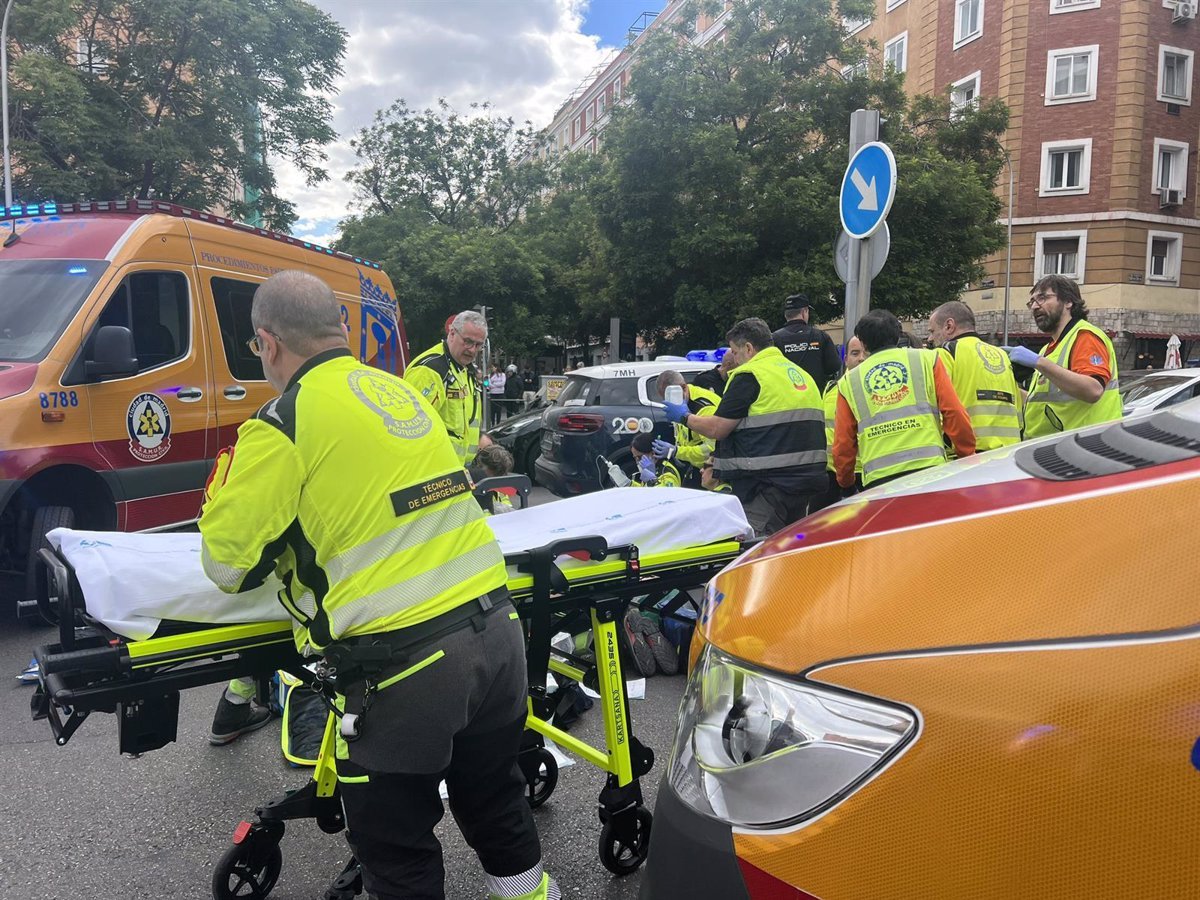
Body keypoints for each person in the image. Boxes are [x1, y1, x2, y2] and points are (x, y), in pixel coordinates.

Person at [199, 271, 558, 900]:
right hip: (498, 634)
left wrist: (222, 499)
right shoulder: (402, 395)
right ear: (339, 327)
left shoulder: (283, 422)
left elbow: (228, 567)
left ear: (267, 342)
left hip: (403, 668)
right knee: (494, 798)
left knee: (395, 844)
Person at [665, 317, 827, 536]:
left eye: (734, 351)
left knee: (758, 553)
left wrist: (684, 416)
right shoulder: (800, 374)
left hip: (767, 487)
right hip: (806, 483)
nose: (734, 358)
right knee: (790, 548)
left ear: (749, 348)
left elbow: (718, 428)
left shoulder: (751, 375)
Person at [834, 310, 975, 492]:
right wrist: (966, 454)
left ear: (862, 342)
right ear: (898, 334)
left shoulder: (848, 381)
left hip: (879, 480)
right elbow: (954, 412)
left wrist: (845, 480)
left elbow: (843, 441)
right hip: (929, 470)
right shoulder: (927, 359)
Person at [1004, 275, 1122, 439]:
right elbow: (1040, 402)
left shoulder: (1085, 336)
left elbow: (1093, 390)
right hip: (1056, 448)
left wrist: (1038, 362)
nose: (1035, 307)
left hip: (1085, 447)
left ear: (1068, 302)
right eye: (1032, 302)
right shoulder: (1048, 349)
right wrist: (1005, 385)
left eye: (1043, 298)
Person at [927, 301, 1023, 451]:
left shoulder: (945, 353)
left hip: (968, 454)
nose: (930, 339)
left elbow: (938, 407)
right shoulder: (1001, 355)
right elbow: (1017, 407)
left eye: (932, 331)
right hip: (1008, 452)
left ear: (949, 326)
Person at [404, 311, 487, 466]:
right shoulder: (430, 370)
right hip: (435, 469)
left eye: (478, 345)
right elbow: (412, 431)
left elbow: (466, 421)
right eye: (468, 341)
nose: (472, 350)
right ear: (452, 333)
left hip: (456, 467)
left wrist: (484, 441)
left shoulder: (464, 368)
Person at [816, 335, 867, 508]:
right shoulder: (831, 388)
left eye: (865, 353)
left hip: (861, 475)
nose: (861, 358)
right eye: (855, 353)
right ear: (845, 359)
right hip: (829, 477)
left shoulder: (878, 391)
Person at [651, 370, 721, 484]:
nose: (670, 402)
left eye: (673, 396)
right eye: (666, 398)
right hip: (696, 466)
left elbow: (711, 450)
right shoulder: (681, 404)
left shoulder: (703, 408)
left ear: (684, 387)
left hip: (712, 471)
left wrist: (677, 451)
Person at [772, 293, 841, 391]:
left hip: (785, 399)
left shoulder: (774, 338)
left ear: (786, 314)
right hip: (815, 397)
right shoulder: (820, 336)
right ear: (804, 312)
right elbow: (834, 366)